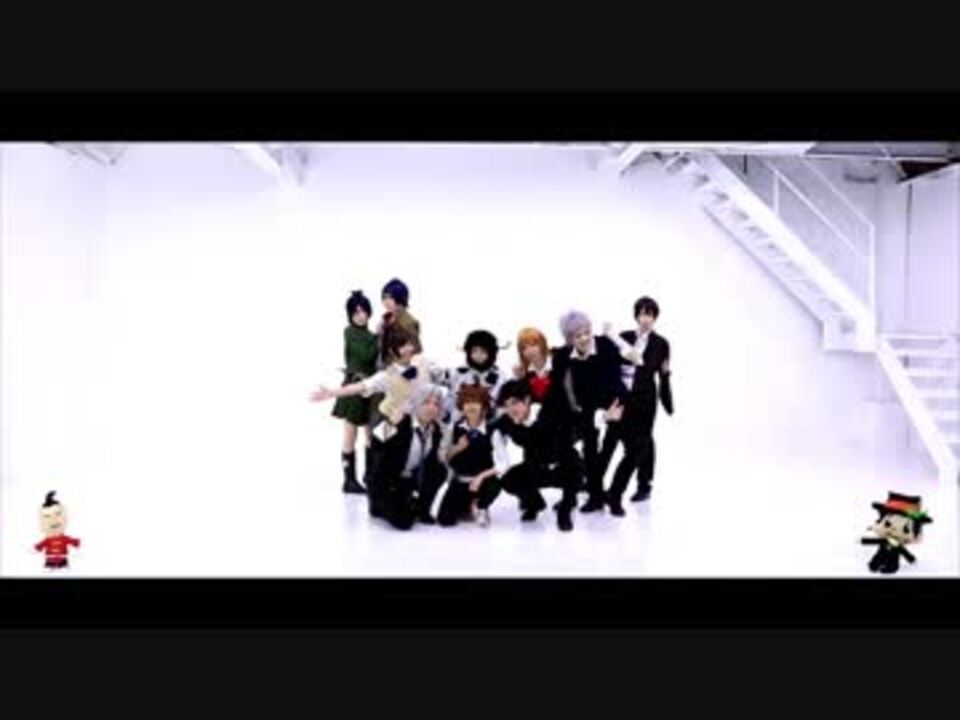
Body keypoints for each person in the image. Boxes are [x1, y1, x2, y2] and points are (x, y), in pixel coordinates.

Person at [601, 296, 673, 515]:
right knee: (611, 439)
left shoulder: (661, 343)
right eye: (642, 313)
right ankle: (595, 487)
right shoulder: (624, 337)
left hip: (646, 399)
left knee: (644, 442)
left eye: (649, 314)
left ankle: (644, 485)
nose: (645, 318)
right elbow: (611, 364)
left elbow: (662, 373)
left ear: (655, 317)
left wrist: (667, 401)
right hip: (623, 398)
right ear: (636, 316)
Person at [550, 310, 626, 514]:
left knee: (608, 451)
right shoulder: (563, 356)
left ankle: (611, 495)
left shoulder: (606, 346)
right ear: (569, 339)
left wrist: (608, 413)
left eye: (587, 332)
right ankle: (595, 497)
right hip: (587, 409)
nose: (584, 338)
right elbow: (561, 388)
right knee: (589, 451)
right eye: (578, 335)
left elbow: (612, 381)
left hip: (615, 404)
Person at [311, 323, 446, 435]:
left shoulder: (422, 361)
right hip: (401, 427)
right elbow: (361, 386)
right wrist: (332, 392)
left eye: (410, 344)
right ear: (392, 351)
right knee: (380, 444)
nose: (409, 349)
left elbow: (445, 376)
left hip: (429, 424)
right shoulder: (388, 375)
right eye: (403, 346)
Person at [490, 379, 581, 532]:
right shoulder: (508, 420)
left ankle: (566, 508)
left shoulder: (549, 413)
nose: (511, 409)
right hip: (537, 466)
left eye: (514, 403)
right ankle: (535, 504)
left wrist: (604, 416)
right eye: (506, 405)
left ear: (527, 400)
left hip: (564, 465)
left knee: (572, 471)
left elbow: (578, 425)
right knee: (509, 479)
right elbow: (489, 428)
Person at [364, 384, 449, 529]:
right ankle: (380, 504)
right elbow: (374, 443)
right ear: (416, 403)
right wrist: (390, 423)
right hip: (387, 481)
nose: (431, 407)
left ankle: (422, 508)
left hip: (408, 478)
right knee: (404, 522)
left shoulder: (435, 430)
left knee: (440, 469)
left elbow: (430, 461)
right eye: (426, 402)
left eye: (436, 404)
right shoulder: (401, 421)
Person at [330, 290, 380, 494]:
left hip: (369, 388)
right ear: (350, 315)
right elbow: (365, 355)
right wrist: (378, 338)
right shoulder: (349, 332)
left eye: (363, 311)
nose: (360, 316)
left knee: (370, 434)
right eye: (355, 312)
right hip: (353, 386)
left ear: (369, 312)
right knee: (350, 434)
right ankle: (349, 480)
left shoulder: (371, 335)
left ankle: (370, 476)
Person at [437, 384, 501, 527]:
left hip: (482, 483)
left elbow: (503, 463)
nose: (471, 406)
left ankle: (481, 505)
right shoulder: (454, 428)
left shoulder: (492, 430)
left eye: (476, 402)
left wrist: (481, 477)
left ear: (484, 406)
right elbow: (442, 457)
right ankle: (468, 504)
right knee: (445, 520)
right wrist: (457, 448)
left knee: (495, 484)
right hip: (460, 481)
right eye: (466, 402)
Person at [446, 329, 506, 422]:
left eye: (483, 351)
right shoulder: (458, 373)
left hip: (489, 423)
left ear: (491, 353)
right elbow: (451, 398)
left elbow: (501, 403)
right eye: (474, 351)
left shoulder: (500, 376)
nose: (478, 355)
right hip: (459, 421)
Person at [34, 491, 81, 570]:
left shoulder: (64, 538)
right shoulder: (47, 540)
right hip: (49, 561)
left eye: (58, 514)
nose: (53, 520)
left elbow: (73, 541)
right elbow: (40, 545)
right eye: (47, 516)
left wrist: (77, 542)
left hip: (63, 561)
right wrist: (36, 547)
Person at [378, 278, 422, 361]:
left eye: (390, 298)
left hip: (401, 365)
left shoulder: (408, 322)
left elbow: (417, 349)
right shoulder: (386, 320)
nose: (386, 302)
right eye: (384, 297)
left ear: (400, 299)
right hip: (386, 364)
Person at [513, 327, 554, 405]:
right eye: (524, 348)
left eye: (533, 345)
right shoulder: (526, 374)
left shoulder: (558, 364)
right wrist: (520, 379)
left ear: (542, 344)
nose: (530, 351)